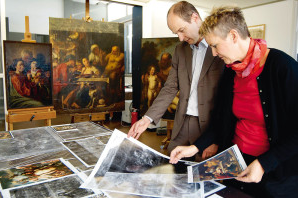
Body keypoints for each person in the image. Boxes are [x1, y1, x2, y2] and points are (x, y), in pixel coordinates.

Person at [169, 6, 298, 197]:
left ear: (233, 36)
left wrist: (264, 163)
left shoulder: (283, 67)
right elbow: (221, 121)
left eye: (214, 45)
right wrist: (195, 147)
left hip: (274, 175)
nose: (213, 53)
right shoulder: (231, 70)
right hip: (235, 164)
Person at [128, 1, 224, 155]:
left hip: (209, 125)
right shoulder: (180, 50)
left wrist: (218, 138)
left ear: (195, 18)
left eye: (182, 30)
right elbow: (170, 87)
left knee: (200, 174)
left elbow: (229, 97)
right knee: (173, 167)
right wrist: (147, 119)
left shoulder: (220, 46)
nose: (180, 38)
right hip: (182, 122)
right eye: (176, 33)